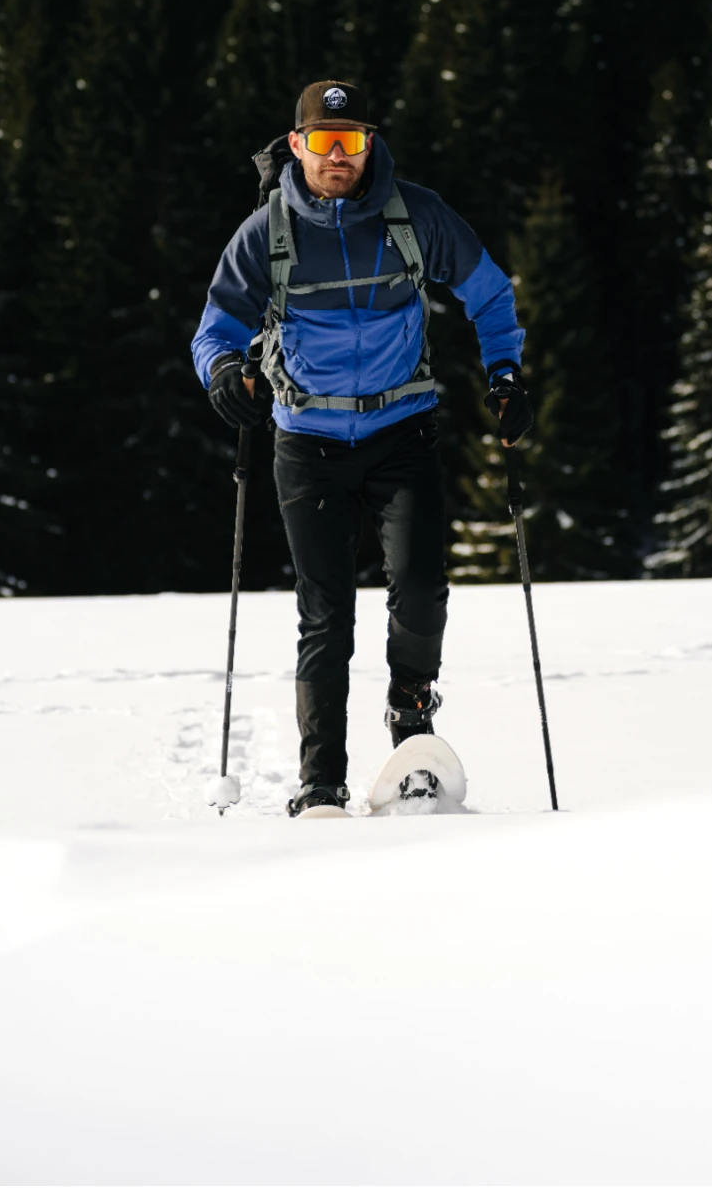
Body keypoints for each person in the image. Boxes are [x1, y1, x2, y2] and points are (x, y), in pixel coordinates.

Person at [190, 79, 533, 816]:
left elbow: (490, 293)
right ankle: (321, 781)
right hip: (306, 441)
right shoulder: (267, 232)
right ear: (297, 146)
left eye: (350, 141)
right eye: (323, 142)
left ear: (369, 143)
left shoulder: (416, 215)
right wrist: (221, 372)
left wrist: (505, 373)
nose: (337, 157)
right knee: (326, 614)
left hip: (402, 430)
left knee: (421, 588)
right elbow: (215, 328)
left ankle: (412, 723)